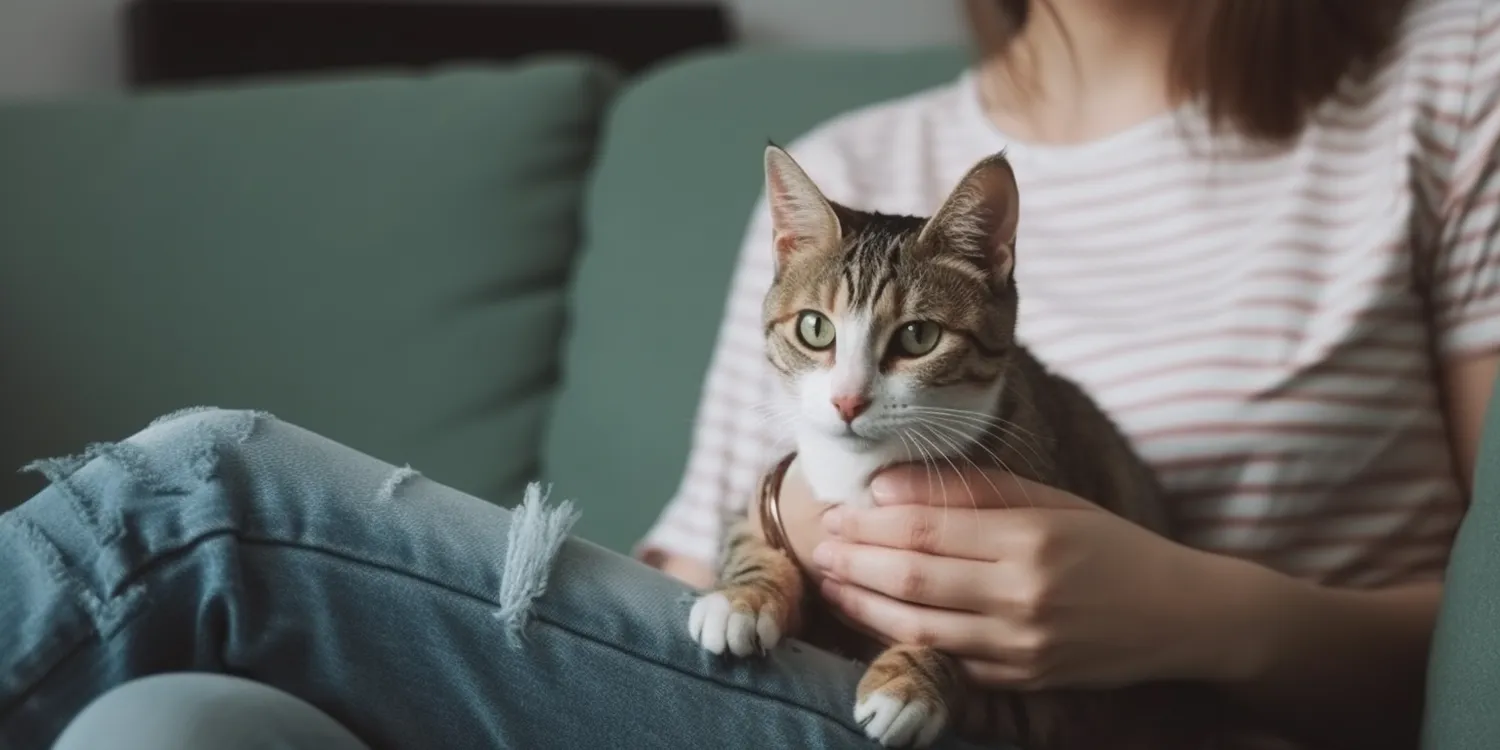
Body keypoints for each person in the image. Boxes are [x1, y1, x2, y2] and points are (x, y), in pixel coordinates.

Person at [2, 0, 1495, 748]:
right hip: (785, 694)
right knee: (159, 720)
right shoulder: (849, 174)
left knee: (207, 507)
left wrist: (1196, 610)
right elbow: (668, 595)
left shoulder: (1457, 72)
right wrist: (775, 537)